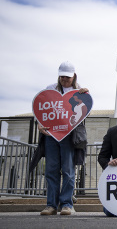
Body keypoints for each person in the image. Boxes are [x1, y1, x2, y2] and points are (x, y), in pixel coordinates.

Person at [36, 61, 89, 215]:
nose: (64, 79)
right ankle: (51, 205)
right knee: (51, 169)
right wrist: (40, 124)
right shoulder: (50, 89)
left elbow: (85, 112)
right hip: (51, 134)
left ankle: (67, 204)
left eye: (67, 77)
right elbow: (41, 108)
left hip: (69, 135)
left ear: (73, 76)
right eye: (62, 77)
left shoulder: (78, 91)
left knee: (68, 169)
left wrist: (86, 98)